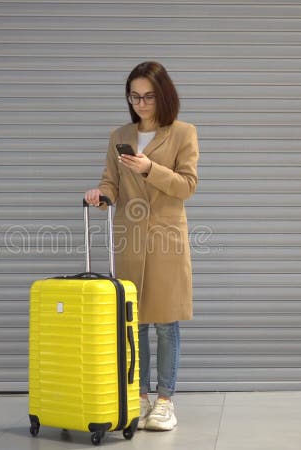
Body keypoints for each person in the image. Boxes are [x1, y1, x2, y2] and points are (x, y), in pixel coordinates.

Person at [84, 61, 199, 432]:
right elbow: (111, 182)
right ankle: (139, 396)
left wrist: (150, 167)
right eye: (134, 96)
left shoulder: (183, 133)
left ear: (162, 95)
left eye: (148, 96)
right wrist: (100, 195)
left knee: (165, 323)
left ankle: (165, 400)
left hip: (166, 239)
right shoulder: (120, 134)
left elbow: (187, 186)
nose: (140, 103)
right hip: (130, 240)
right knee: (135, 322)